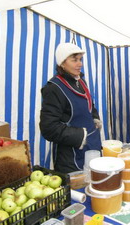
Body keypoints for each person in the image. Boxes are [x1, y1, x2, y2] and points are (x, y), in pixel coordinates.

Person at [40, 42, 102, 174]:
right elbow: (48, 128)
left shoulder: (80, 81)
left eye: (80, 59)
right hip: (70, 157)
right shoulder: (53, 88)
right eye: (74, 60)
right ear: (62, 63)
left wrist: (95, 118)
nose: (80, 64)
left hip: (91, 146)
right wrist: (80, 136)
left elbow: (89, 104)